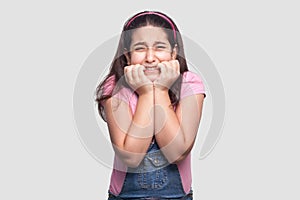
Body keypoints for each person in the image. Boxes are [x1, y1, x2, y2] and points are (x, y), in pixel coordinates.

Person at [95, 11, 206, 200]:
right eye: (139, 48)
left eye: (160, 47)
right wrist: (146, 93)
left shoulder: (189, 84)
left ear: (174, 52)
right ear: (128, 56)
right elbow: (131, 157)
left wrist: (161, 90)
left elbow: (176, 152)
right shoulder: (115, 87)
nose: (150, 57)